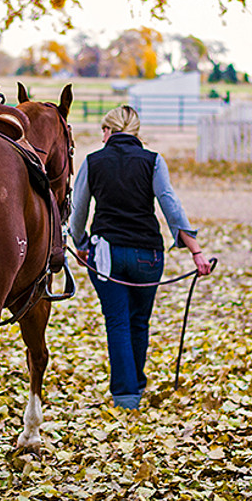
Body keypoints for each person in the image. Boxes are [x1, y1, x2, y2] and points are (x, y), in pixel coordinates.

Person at [69, 105, 213, 410]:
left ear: (108, 131)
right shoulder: (153, 160)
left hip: (107, 254)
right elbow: (170, 205)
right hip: (148, 255)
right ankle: (136, 385)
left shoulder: (93, 162)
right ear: (135, 133)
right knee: (139, 322)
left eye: (103, 131)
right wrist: (196, 252)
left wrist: (80, 243)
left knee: (118, 321)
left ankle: (126, 395)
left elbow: (78, 210)